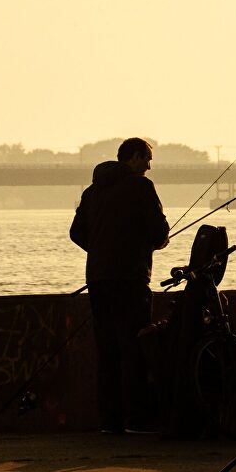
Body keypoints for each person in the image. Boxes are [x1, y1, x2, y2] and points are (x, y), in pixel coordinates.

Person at [70, 138, 170, 434]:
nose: (149, 167)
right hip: (131, 279)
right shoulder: (141, 187)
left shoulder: (92, 191)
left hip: (98, 281)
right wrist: (157, 243)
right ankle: (136, 420)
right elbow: (158, 230)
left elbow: (76, 233)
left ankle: (110, 422)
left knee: (108, 350)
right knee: (133, 347)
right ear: (135, 157)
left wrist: (100, 250)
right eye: (147, 160)